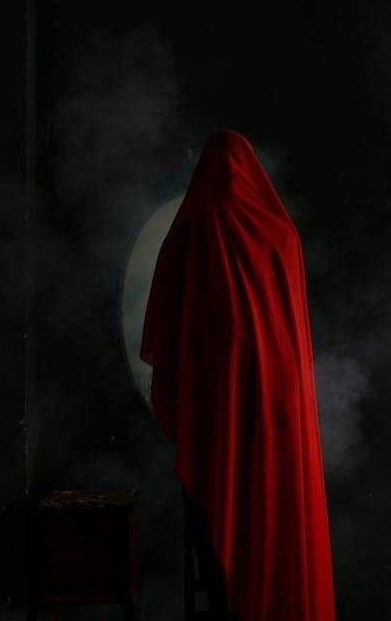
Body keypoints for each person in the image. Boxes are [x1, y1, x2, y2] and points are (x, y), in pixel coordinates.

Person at [140, 129, 336, 620]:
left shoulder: (191, 231)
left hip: (217, 414)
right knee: (277, 512)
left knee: (221, 514)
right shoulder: (280, 235)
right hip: (278, 410)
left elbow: (167, 330)